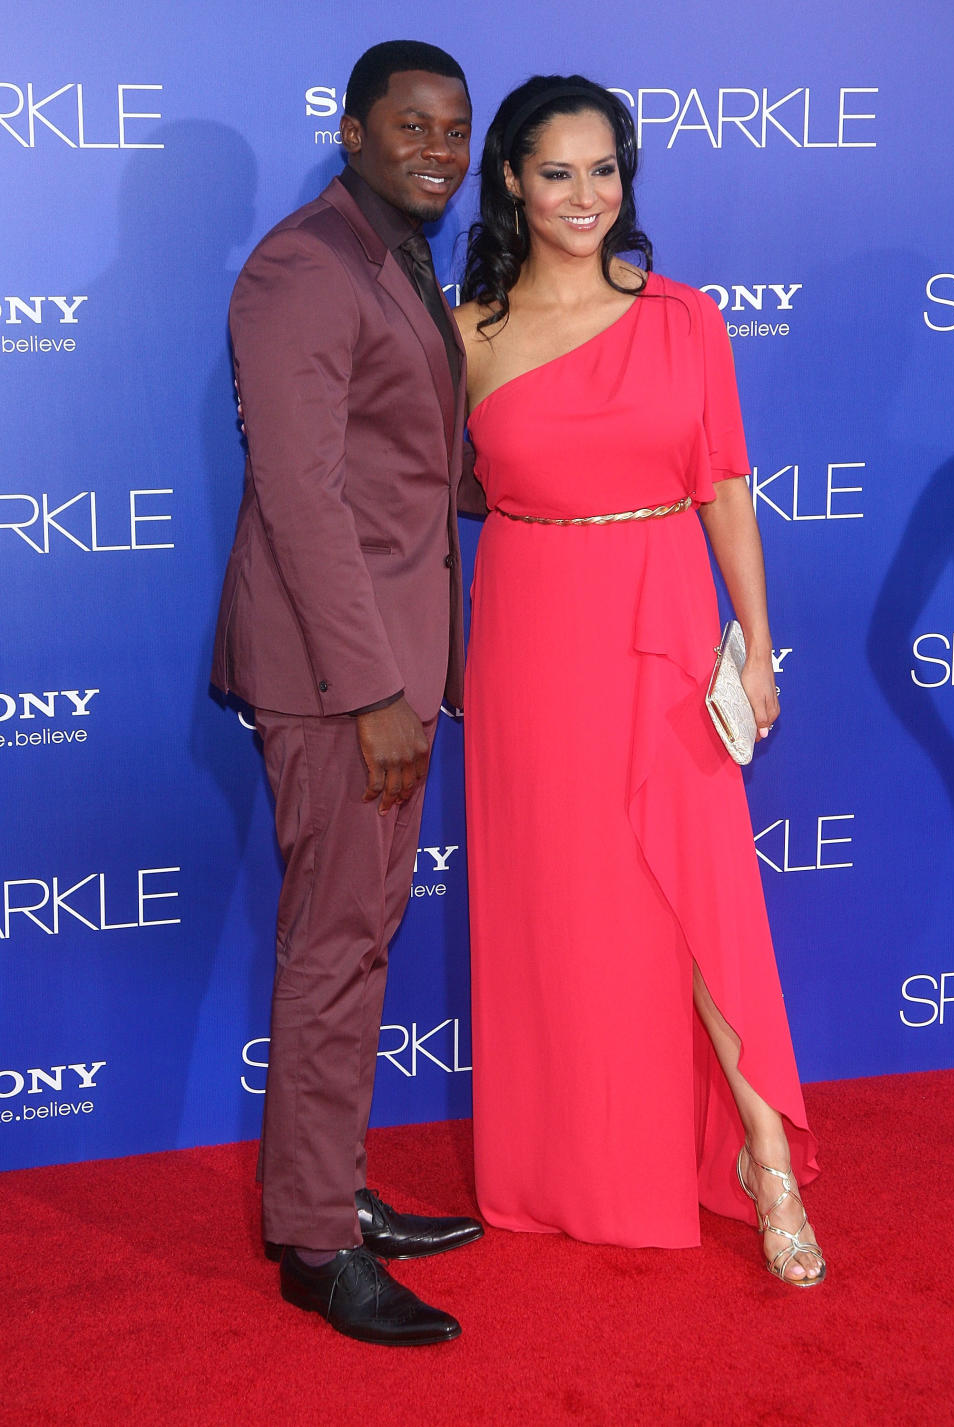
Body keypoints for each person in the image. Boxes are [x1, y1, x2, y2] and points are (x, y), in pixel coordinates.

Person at [454, 75, 826, 1286]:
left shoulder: (685, 317)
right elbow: (427, 501)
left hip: (664, 619)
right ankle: (577, 1164)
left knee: (697, 889)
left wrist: (755, 643)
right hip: (529, 628)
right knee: (560, 900)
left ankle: (765, 1145)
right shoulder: (468, 330)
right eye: (556, 172)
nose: (584, 196)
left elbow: (724, 484)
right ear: (510, 178)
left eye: (604, 169)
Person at [211, 40, 487, 1345]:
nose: (441, 149)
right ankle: (316, 1244)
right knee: (333, 948)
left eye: (456, 129)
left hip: (387, 661)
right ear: (355, 129)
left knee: (355, 938)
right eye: (414, 126)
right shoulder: (301, 267)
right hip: (341, 677)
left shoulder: (397, 258)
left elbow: (413, 463)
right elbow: (304, 498)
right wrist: (378, 686)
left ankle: (334, 1188)